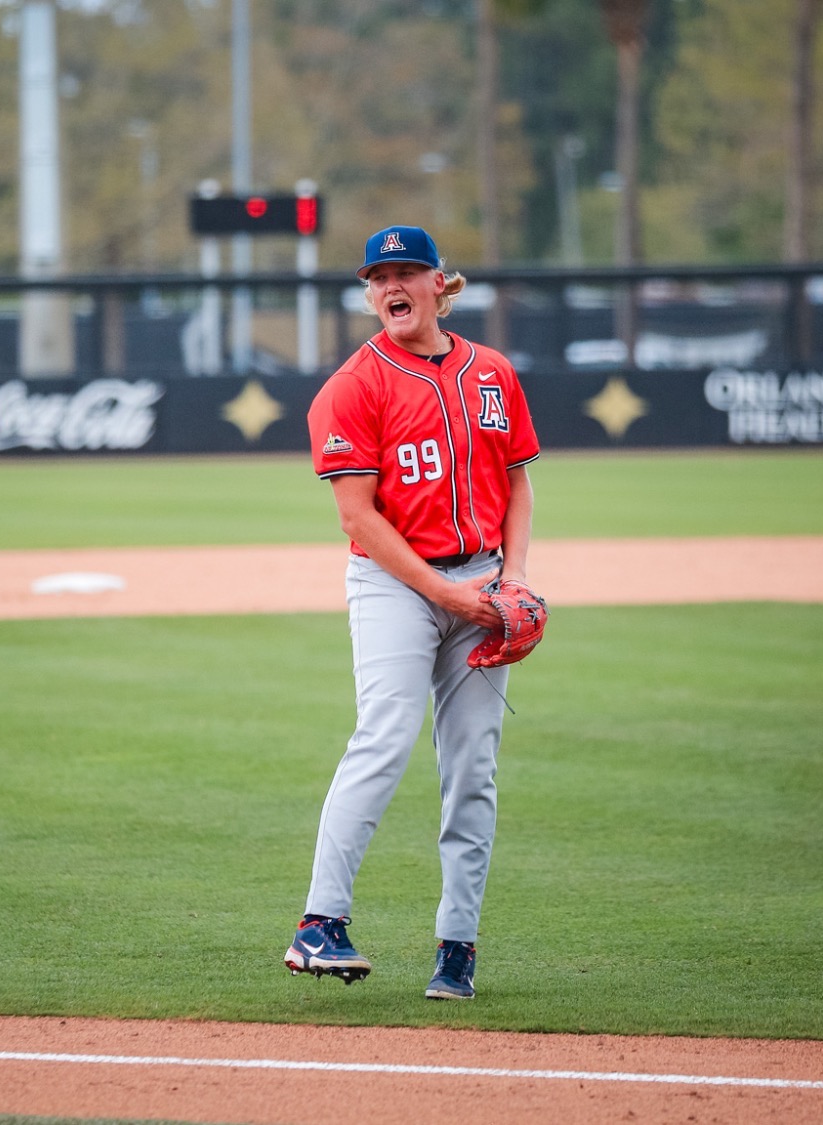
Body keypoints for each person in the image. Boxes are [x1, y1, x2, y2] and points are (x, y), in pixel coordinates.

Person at [285, 225, 541, 1001]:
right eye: (377, 276)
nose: (390, 286)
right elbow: (359, 518)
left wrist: (514, 582)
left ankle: (456, 946)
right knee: (386, 733)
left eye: (405, 272)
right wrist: (447, 593)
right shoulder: (353, 386)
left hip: (481, 585)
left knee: (473, 771)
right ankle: (319, 922)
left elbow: (519, 483)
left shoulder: (492, 372)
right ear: (369, 294)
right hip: (396, 585)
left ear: (440, 283)